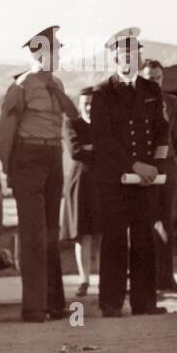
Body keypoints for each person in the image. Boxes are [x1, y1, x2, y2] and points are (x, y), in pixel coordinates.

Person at [0, 25, 77, 322]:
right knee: (33, 236)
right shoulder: (22, 86)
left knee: (52, 234)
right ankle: (33, 307)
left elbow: (71, 118)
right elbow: (5, 131)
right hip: (27, 159)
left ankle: (55, 304)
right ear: (38, 53)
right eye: (53, 51)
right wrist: (8, 167)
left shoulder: (57, 84)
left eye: (58, 51)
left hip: (53, 156)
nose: (57, 56)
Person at [89, 28, 169, 318]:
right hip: (115, 179)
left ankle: (144, 302)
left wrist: (156, 167)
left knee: (144, 239)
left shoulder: (151, 90)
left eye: (135, 54)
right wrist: (134, 165)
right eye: (123, 55)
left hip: (146, 179)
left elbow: (162, 132)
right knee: (114, 241)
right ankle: (111, 303)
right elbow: (103, 140)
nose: (130, 60)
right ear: (113, 58)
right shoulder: (102, 93)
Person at [143, 59, 177, 293]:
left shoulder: (173, 103)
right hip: (144, 168)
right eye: (149, 78)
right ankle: (144, 280)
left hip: (168, 167)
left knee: (166, 223)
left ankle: (167, 279)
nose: (154, 82)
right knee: (144, 222)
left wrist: (175, 165)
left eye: (157, 78)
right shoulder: (137, 102)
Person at [60, 86, 100, 299]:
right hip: (80, 184)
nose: (89, 107)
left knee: (103, 233)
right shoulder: (71, 123)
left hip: (102, 183)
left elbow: (111, 150)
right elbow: (75, 151)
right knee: (82, 234)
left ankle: (104, 279)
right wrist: (96, 149)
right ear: (79, 104)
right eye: (85, 103)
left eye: (92, 103)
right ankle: (84, 279)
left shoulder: (105, 125)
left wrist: (92, 148)